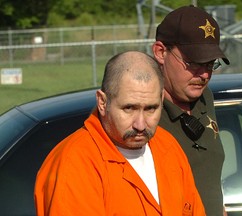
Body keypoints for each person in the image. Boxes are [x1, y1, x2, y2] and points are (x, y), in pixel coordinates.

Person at [34, 51, 206, 216]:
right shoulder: (76, 164)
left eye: (151, 109)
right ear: (102, 102)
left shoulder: (167, 145)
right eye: (129, 108)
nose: (140, 124)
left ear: (161, 99)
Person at [152, 5, 230, 216]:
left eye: (210, 63)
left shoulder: (205, 97)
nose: (204, 74)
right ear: (161, 52)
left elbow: (207, 173)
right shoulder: (143, 113)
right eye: (194, 62)